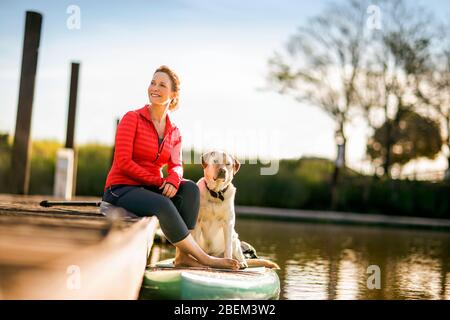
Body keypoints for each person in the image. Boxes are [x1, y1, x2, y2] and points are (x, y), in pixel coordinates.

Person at [103, 65, 239, 270]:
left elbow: (176, 165)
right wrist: (161, 182)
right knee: (162, 204)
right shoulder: (132, 118)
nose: (154, 88)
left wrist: (174, 180)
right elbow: (123, 162)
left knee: (191, 189)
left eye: (162, 85)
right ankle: (205, 258)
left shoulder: (174, 131)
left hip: (150, 188)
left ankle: (183, 256)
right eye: (152, 83)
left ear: (173, 94)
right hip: (121, 188)